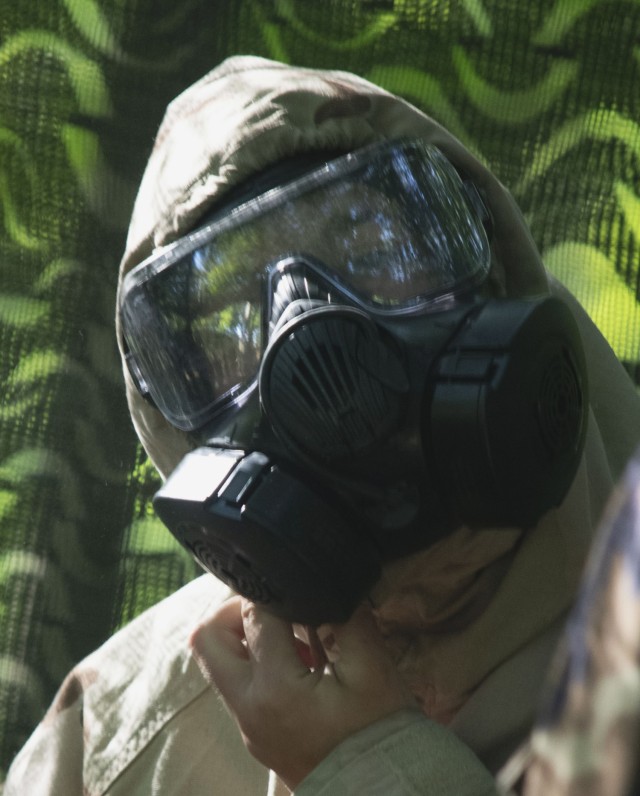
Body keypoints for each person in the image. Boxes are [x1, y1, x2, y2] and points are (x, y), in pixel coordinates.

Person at [4, 56, 640, 795]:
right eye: (232, 317)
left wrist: (369, 769)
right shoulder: (115, 749)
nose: (310, 336)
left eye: (371, 251)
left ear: (494, 265)